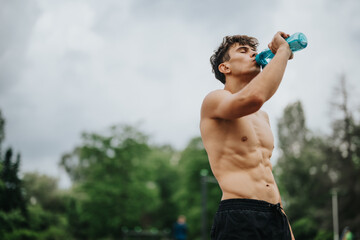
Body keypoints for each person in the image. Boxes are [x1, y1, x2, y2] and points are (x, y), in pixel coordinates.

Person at [200, 31, 296, 240]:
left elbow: (266, 172)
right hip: (239, 214)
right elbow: (254, 98)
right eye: (243, 51)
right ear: (225, 67)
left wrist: (286, 227)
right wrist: (282, 51)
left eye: (254, 50)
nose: (253, 54)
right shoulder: (215, 100)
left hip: (275, 215)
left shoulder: (263, 117)